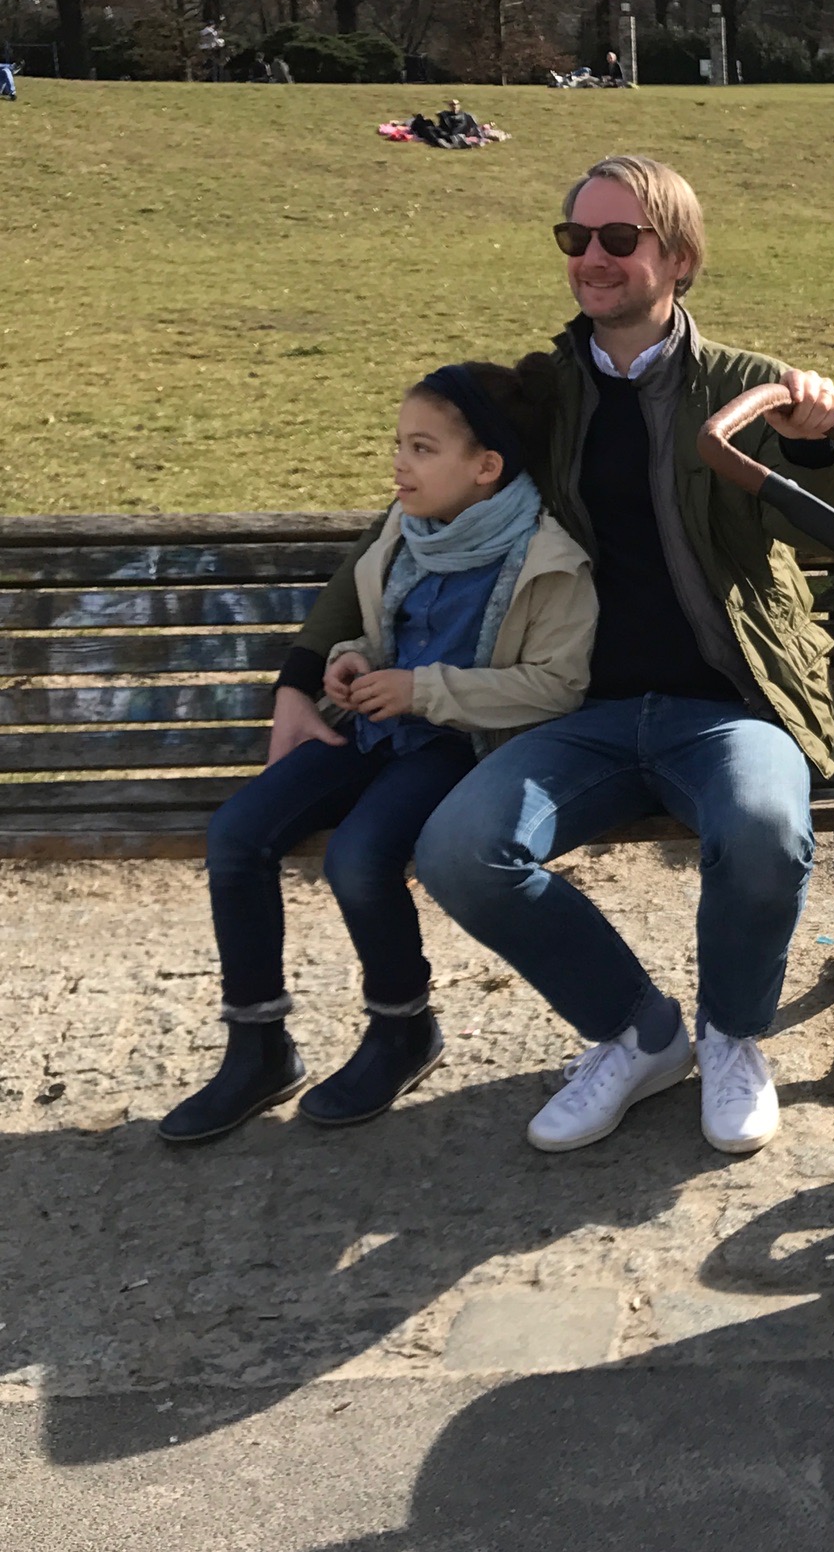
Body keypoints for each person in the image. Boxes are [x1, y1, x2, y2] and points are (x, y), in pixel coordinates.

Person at [272, 154, 834, 1158]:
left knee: (764, 828)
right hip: (576, 710)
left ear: (678, 258)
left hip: (727, 704)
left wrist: (811, 444)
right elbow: (407, 520)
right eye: (575, 237)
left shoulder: (746, 387)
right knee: (459, 850)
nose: (592, 256)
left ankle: (731, 1035)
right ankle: (639, 1033)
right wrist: (301, 671)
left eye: (619, 238)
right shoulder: (540, 394)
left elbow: (821, 532)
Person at [159, 365, 598, 1145]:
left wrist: (422, 689)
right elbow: (380, 629)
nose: (398, 464)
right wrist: (350, 660)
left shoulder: (546, 559)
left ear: (486, 465)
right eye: (398, 444)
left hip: (456, 746)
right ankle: (258, 1047)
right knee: (236, 833)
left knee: (359, 857)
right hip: (370, 726)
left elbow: (555, 685)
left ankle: (402, 1029)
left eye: (421, 448)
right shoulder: (407, 529)